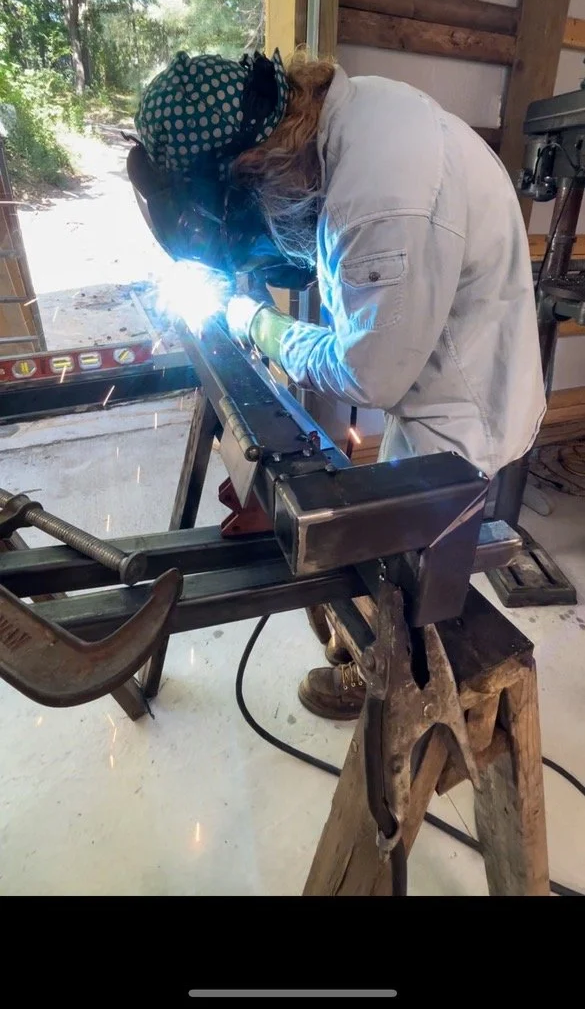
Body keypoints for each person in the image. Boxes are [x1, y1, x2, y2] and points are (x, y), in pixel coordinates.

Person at [130, 47, 546, 720]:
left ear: (255, 163)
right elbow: (327, 252)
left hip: (461, 409)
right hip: (436, 369)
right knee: (389, 543)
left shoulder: (380, 199)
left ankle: (397, 688)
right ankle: (369, 643)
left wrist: (254, 322)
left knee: (413, 565)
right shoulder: (345, 114)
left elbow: (366, 374)